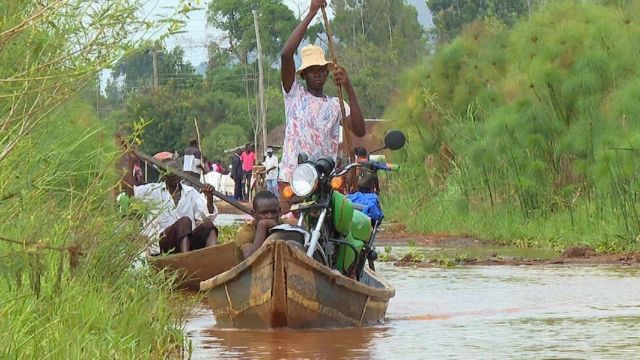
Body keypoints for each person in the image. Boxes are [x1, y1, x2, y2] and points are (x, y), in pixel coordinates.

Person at [278, 0, 366, 213]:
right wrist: (311, 13)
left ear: (327, 73)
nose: (317, 73)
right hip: (294, 178)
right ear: (304, 75)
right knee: (288, 229)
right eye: (312, 70)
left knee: (328, 233)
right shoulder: (294, 94)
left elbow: (360, 130)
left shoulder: (336, 103)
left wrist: (348, 88)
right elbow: (286, 54)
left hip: (324, 181)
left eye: (321, 69)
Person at [125, 159, 219, 255]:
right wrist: (131, 160)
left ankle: (214, 257)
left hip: (188, 243)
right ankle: (185, 260)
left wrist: (210, 198)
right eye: (171, 172)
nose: (174, 175)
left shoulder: (190, 192)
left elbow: (208, 215)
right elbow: (130, 194)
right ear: (163, 175)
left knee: (208, 225)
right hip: (163, 245)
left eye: (177, 171)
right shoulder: (152, 191)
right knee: (184, 222)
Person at [235, 190, 298, 261]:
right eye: (264, 213)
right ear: (254, 214)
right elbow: (250, 258)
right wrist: (262, 226)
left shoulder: (288, 224)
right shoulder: (246, 233)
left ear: (279, 211)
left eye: (274, 212)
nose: (269, 216)